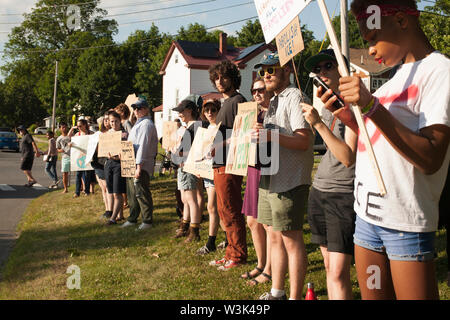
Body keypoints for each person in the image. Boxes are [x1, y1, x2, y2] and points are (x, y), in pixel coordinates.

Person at [330, 0, 449, 299]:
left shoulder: (441, 71)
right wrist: (350, 117)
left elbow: (430, 157)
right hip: (366, 221)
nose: (369, 50)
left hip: (405, 223)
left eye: (372, 39)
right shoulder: (391, 82)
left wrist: (371, 106)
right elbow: (379, 142)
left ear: (401, 20)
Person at [252, 53, 314, 300]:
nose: (266, 75)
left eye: (272, 70)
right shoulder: (274, 101)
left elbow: (304, 140)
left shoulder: (295, 96)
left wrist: (270, 136)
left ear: (287, 71)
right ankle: (276, 292)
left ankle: (295, 297)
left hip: (290, 180)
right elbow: (272, 137)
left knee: (292, 240)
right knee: (274, 237)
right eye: (263, 71)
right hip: (270, 178)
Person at [301, 49, 358, 300]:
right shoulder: (327, 106)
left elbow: (348, 157)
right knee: (328, 268)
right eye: (319, 69)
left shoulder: (354, 106)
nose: (322, 73)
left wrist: (318, 125)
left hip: (342, 195)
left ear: (342, 70)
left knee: (337, 273)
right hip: (320, 190)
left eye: (328, 66)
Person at [207, 60, 248, 271]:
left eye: (223, 77)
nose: (220, 82)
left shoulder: (238, 101)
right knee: (223, 211)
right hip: (218, 163)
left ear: (233, 78)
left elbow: (244, 133)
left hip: (230, 164)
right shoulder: (225, 103)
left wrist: (220, 145)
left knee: (231, 211)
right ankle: (230, 252)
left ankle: (238, 255)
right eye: (216, 78)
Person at [240, 78, 273, 286]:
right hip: (253, 167)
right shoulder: (255, 114)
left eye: (261, 90)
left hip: (269, 169)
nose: (257, 94)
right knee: (252, 221)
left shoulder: (276, 112)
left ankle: (270, 269)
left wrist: (265, 132)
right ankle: (261, 263)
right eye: (254, 91)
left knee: (268, 224)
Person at [121, 99, 158, 231]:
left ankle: (147, 220)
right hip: (132, 162)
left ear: (146, 109)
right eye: (135, 108)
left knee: (141, 192)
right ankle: (132, 217)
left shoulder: (146, 124)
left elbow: (143, 146)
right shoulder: (138, 123)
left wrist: (139, 167)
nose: (137, 111)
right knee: (132, 193)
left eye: (140, 108)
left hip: (141, 164)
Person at [196, 99, 226, 255]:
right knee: (216, 207)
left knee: (214, 207)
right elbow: (200, 152)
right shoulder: (205, 129)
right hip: (206, 171)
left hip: (217, 171)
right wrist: (197, 167)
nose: (209, 113)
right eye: (206, 110)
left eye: (213, 110)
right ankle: (228, 238)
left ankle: (211, 242)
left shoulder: (221, 128)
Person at [172, 99, 203, 243]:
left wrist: (178, 152)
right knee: (185, 198)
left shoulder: (195, 127)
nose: (179, 114)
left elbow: (194, 150)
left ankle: (194, 230)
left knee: (191, 199)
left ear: (190, 111)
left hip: (189, 166)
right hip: (183, 166)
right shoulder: (188, 128)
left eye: (182, 111)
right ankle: (185, 225)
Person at [104, 111, 128, 225]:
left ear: (120, 121)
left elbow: (128, 150)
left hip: (119, 164)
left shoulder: (124, 134)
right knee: (112, 190)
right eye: (111, 121)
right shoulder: (107, 134)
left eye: (116, 121)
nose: (113, 123)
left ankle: (112, 218)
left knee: (117, 192)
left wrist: (121, 156)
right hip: (109, 163)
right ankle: (120, 215)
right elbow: (104, 148)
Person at [92, 114, 113, 219]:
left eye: (107, 120)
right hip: (97, 163)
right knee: (103, 188)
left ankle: (110, 210)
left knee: (107, 188)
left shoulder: (111, 134)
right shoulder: (97, 134)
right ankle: (107, 209)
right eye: (104, 120)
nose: (106, 122)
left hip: (106, 163)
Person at [68, 119, 93, 198]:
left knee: (87, 174)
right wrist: (71, 144)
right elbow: (69, 137)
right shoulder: (77, 134)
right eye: (77, 126)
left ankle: (87, 191)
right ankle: (77, 192)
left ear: (85, 125)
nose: (78, 127)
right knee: (78, 174)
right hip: (79, 157)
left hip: (88, 156)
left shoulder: (90, 133)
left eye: (80, 126)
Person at [56, 122, 71, 193]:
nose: (64, 129)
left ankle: (81, 187)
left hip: (74, 156)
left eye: (65, 127)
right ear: (60, 129)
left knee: (78, 172)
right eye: (63, 127)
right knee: (65, 173)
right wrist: (60, 150)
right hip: (65, 157)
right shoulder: (59, 139)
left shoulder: (71, 136)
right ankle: (65, 189)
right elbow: (57, 149)